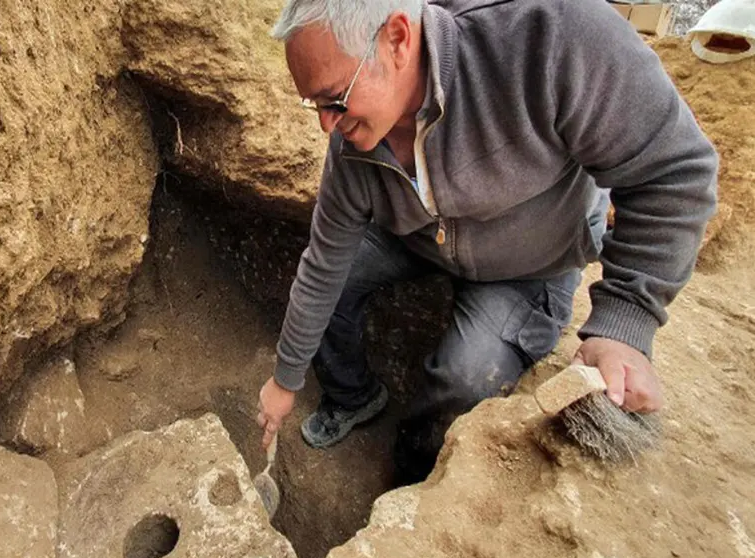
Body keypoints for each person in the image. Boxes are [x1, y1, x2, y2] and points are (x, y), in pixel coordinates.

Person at [254, 0, 718, 484]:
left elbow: (675, 172)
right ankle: (354, 396)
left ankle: (412, 477)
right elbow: (323, 261)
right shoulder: (351, 145)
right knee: (335, 286)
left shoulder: (550, 39)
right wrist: (286, 380)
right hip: (419, 238)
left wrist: (624, 324)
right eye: (315, 105)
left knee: (463, 377)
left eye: (335, 99)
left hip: (531, 264)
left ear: (397, 39)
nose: (327, 125)